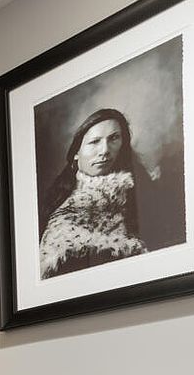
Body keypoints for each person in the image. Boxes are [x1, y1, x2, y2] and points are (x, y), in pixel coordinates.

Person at [38, 107, 151, 279]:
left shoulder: (143, 194)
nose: (105, 150)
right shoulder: (60, 207)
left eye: (114, 138)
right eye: (94, 141)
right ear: (76, 153)